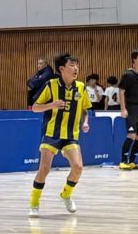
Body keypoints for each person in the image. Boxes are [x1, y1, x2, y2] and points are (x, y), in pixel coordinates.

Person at [29, 52, 91, 212]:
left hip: (71, 135)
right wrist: (52, 105)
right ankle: (34, 204)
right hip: (52, 134)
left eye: (77, 65)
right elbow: (35, 108)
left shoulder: (81, 87)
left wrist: (85, 122)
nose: (76, 68)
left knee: (78, 167)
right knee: (44, 169)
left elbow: (85, 109)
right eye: (72, 65)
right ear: (62, 69)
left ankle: (66, 195)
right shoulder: (51, 85)